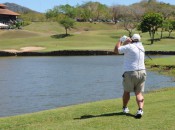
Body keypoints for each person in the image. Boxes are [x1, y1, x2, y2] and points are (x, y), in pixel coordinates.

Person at [114, 34, 147, 118]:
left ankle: (125, 108)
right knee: (138, 93)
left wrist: (121, 40)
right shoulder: (142, 47)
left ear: (132, 39)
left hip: (130, 73)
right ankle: (140, 110)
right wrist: (129, 42)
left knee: (127, 91)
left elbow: (116, 50)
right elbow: (127, 48)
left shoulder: (129, 47)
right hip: (142, 72)